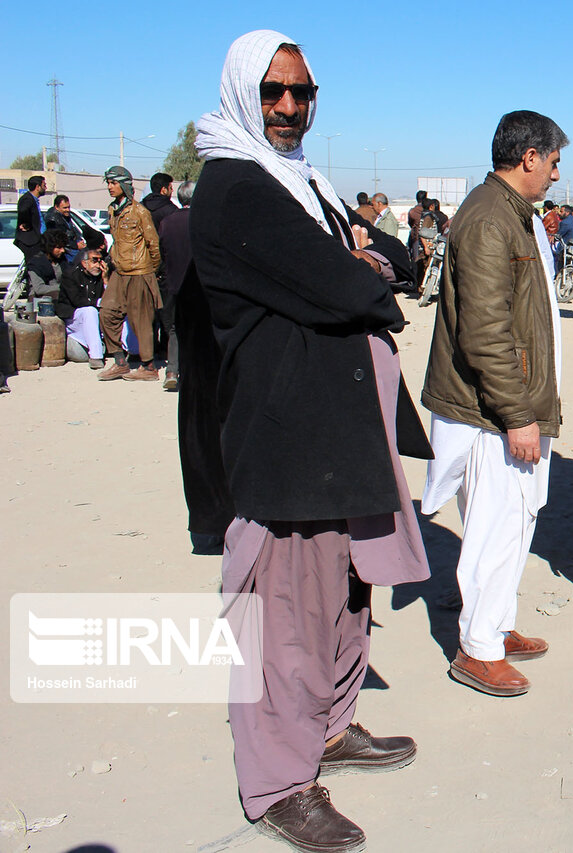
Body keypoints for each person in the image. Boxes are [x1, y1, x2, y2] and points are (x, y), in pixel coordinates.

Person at [185, 32, 431, 851]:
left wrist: (369, 264)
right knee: (284, 619)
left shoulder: (303, 183)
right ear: (242, 95)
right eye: (273, 93)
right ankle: (280, 782)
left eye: (302, 91)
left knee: (345, 600)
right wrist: (365, 275)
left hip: (338, 432)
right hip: (286, 438)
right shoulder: (236, 186)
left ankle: (330, 727)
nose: (289, 108)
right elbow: (345, 284)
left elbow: (387, 255)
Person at [420, 109, 566, 698]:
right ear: (529, 157)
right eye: (554, 162)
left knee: (516, 522)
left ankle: (497, 625)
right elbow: (486, 330)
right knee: (491, 527)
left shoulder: (511, 214)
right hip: (490, 413)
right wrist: (517, 414)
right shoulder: (487, 220)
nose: (557, 174)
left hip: (510, 404)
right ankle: (477, 650)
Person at [97, 165, 164, 382]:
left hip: (139, 272)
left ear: (125, 185)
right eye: (108, 183)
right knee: (107, 312)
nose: (110, 187)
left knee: (141, 321)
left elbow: (153, 244)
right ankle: (119, 362)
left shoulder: (140, 212)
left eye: (114, 183)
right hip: (119, 271)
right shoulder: (112, 210)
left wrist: (149, 271)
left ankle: (148, 367)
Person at [157, 180, 196, 391]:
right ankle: (192, 373)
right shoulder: (201, 220)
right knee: (198, 328)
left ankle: (172, 371)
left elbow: (161, 252)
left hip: (173, 283)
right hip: (197, 284)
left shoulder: (168, 222)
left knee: (174, 328)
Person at [55, 246, 107, 367]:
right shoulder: (71, 275)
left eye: (100, 261)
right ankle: (96, 357)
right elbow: (78, 301)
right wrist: (99, 302)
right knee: (90, 311)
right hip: (73, 316)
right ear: (84, 263)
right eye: (94, 261)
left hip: (95, 316)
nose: (98, 265)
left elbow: (110, 298)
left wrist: (105, 281)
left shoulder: (101, 275)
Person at [13, 175, 46, 260]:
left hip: (37, 240)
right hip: (30, 242)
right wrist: (27, 223)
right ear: (38, 187)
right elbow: (23, 210)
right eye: (44, 185)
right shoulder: (27, 199)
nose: (45, 188)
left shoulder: (34, 200)